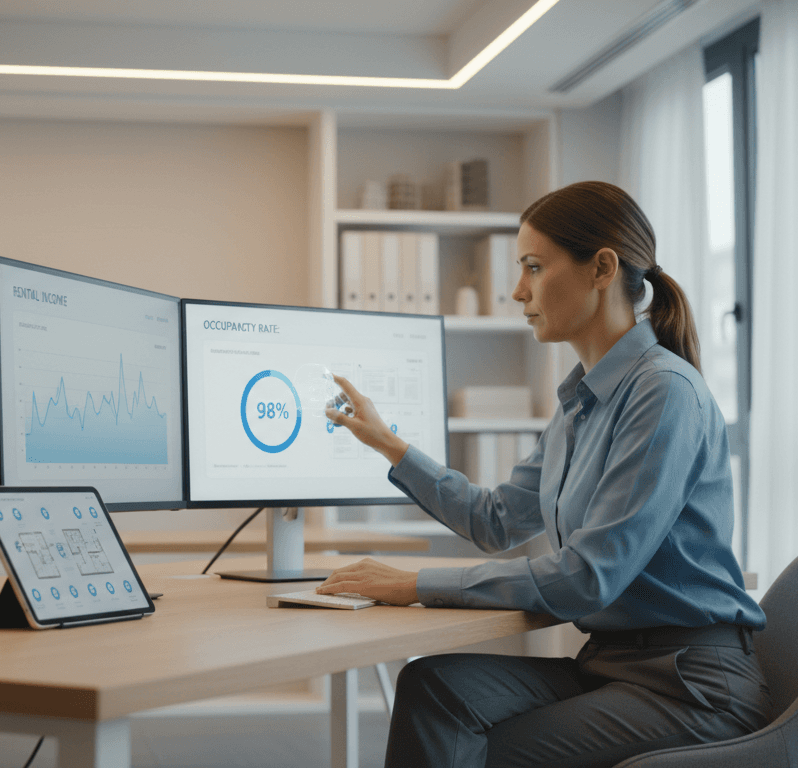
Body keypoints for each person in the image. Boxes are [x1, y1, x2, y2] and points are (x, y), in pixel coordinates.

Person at [318, 181, 770, 768]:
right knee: (433, 686)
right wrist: (389, 443)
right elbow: (496, 520)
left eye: (533, 267)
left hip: (691, 685)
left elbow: (588, 576)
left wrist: (415, 584)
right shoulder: (581, 403)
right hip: (611, 664)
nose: (517, 290)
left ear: (602, 268)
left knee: (482, 750)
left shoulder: (664, 392)